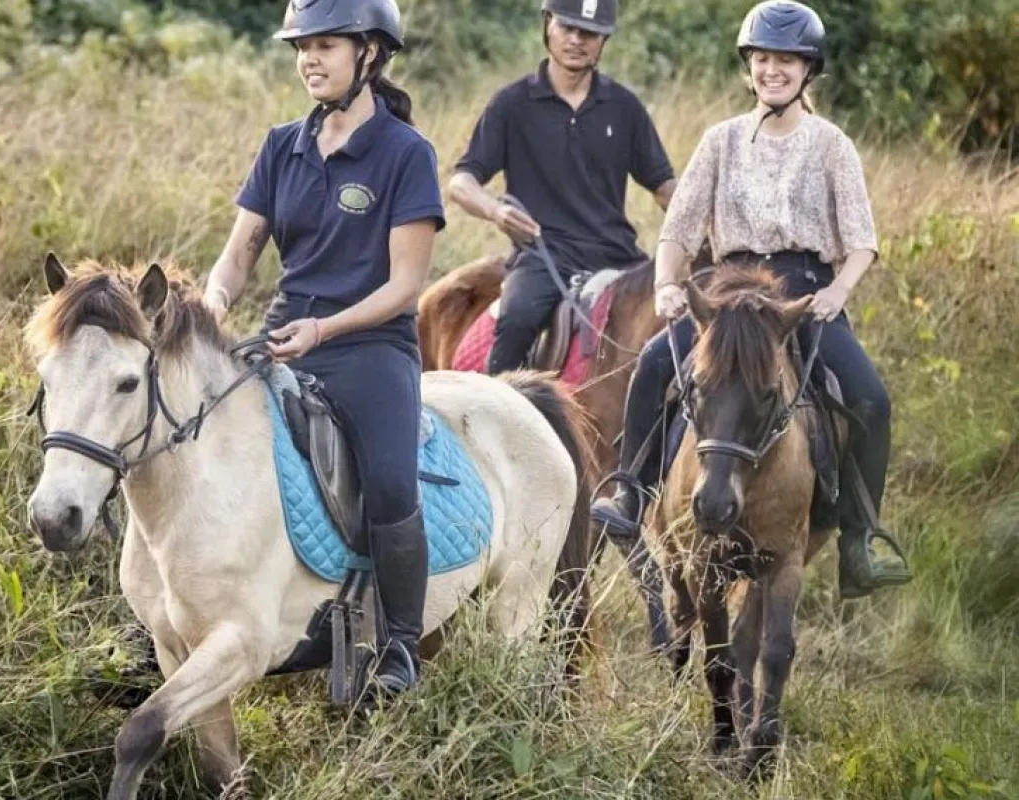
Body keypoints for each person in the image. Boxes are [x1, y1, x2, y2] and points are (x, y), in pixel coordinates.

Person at [589, 0, 912, 599]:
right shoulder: (721, 140)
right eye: (763, 59)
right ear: (749, 66)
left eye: (786, 61)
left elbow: (862, 242)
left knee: (870, 398)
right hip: (730, 292)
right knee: (655, 363)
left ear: (808, 69)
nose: (772, 71)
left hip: (802, 296)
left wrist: (837, 291)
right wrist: (666, 283)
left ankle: (859, 540)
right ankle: (630, 492)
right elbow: (678, 230)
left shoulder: (831, 145)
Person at [203, 0, 445, 700]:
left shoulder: (407, 153)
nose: (309, 59)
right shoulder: (282, 145)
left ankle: (400, 646)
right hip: (282, 336)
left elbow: (404, 286)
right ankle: (164, 620)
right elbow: (239, 255)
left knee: (391, 483)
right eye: (301, 47)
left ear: (370, 53)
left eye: (326, 45)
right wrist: (213, 302)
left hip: (370, 348)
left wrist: (325, 329)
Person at [447, 0, 678, 375]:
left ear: (603, 40)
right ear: (547, 25)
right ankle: (496, 399)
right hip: (544, 256)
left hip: (618, 254)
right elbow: (462, 181)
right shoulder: (512, 104)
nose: (576, 40)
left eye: (588, 33)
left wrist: (703, 222)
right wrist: (495, 210)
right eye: (567, 28)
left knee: (673, 327)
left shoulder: (625, 107)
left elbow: (664, 186)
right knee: (518, 318)